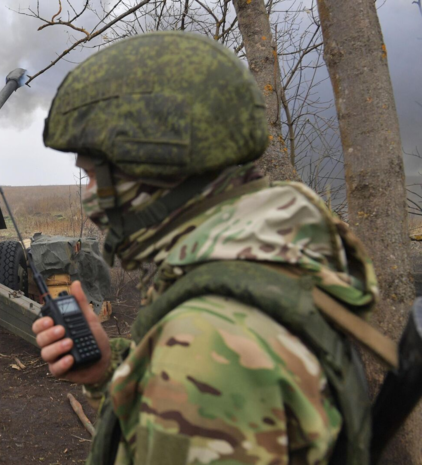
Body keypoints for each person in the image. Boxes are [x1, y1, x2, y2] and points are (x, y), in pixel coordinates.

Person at [33, 32, 377, 464]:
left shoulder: (207, 348)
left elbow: (210, 391)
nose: (88, 197)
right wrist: (107, 371)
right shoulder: (272, 257)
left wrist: (176, 369)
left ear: (151, 168)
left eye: (91, 176)